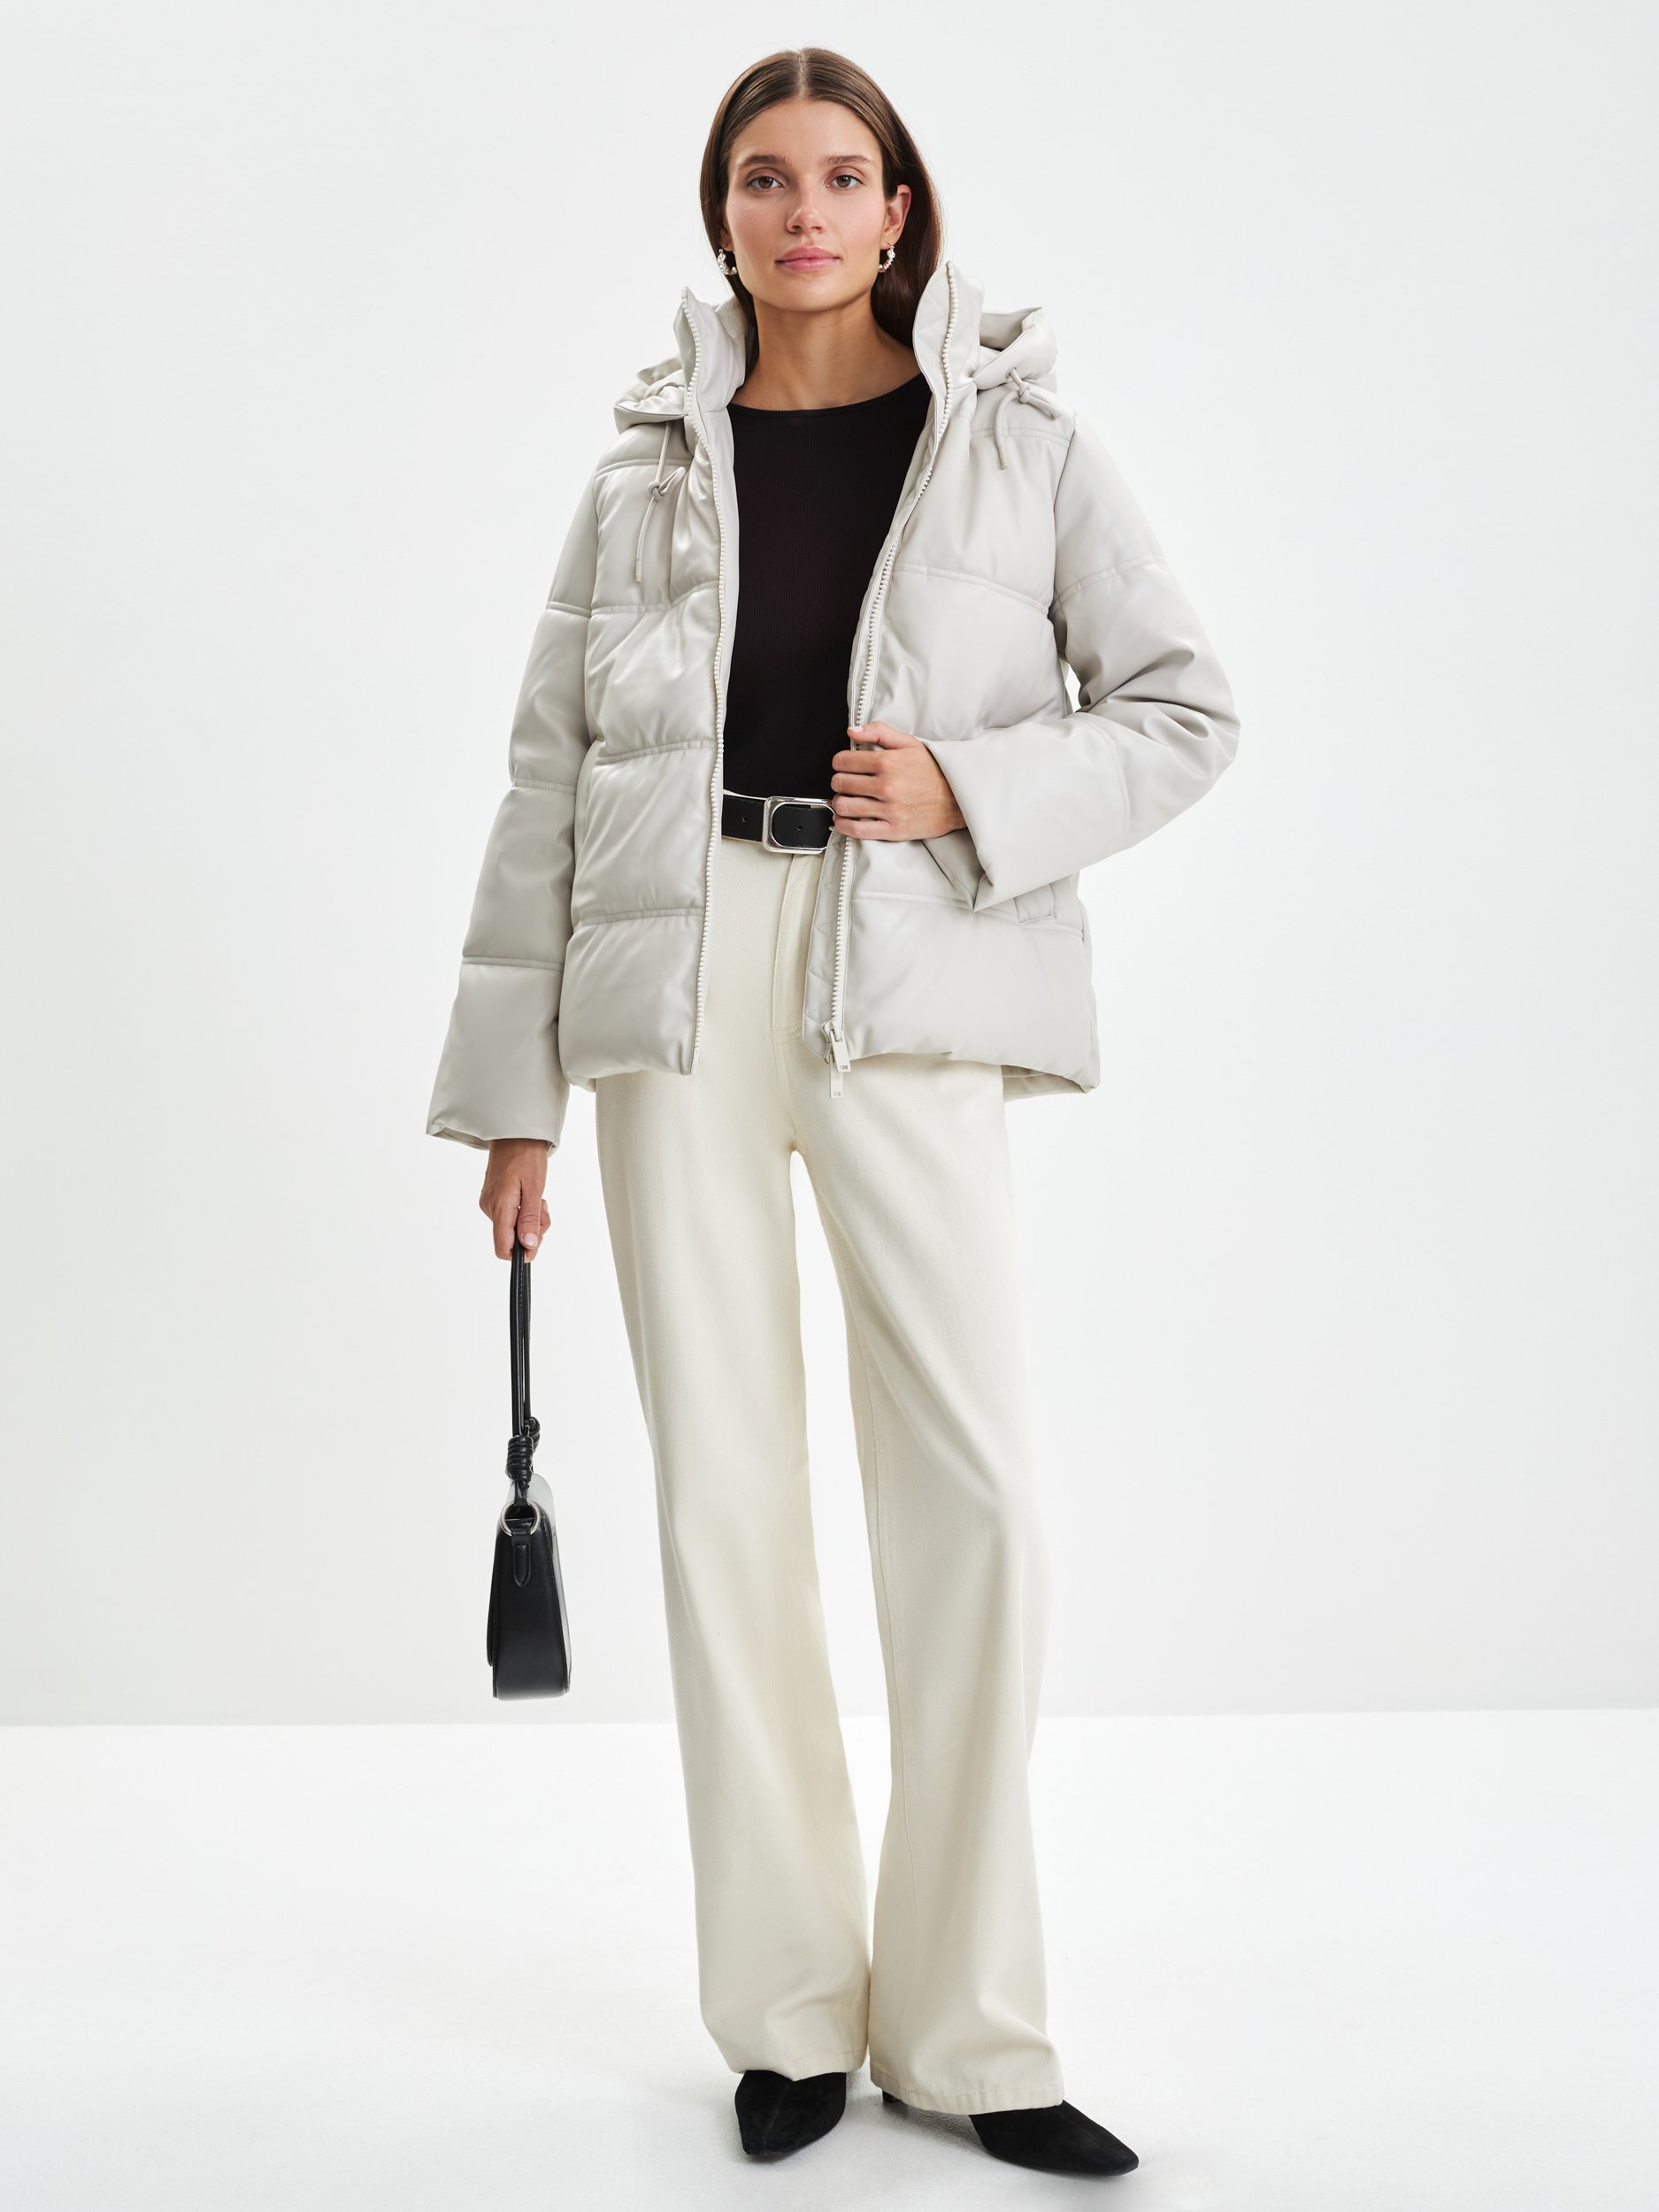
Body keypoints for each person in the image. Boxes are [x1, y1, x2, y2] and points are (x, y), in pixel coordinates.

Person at [428, 45, 1237, 2178]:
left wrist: (970, 784)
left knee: (972, 1495)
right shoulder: (639, 472)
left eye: (841, 176)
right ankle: (786, 2010)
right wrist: (511, 1100)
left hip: (909, 972)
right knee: (724, 1503)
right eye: (764, 178)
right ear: (723, 212)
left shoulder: (1017, 442)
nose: (803, 212)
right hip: (672, 985)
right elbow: (545, 781)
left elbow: (1181, 709)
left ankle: (969, 2029)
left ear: (899, 209)